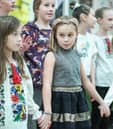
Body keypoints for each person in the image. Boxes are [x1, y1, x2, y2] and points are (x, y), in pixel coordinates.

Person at [39, 16, 110, 129]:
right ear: (55, 36)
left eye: (70, 35)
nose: (66, 39)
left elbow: (86, 82)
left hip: (78, 100)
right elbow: (47, 84)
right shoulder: (51, 55)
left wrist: (102, 102)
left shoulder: (76, 54)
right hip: (59, 102)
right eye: (61, 35)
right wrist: (47, 112)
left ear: (76, 34)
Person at [0, 15, 44, 129]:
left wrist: (37, 113)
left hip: (19, 123)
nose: (20, 38)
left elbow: (25, 93)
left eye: (20, 34)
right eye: (15, 34)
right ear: (3, 36)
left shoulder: (20, 63)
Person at [21, 0, 55, 129]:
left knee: (49, 123)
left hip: (53, 86)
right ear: (36, 8)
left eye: (53, 6)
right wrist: (21, 49)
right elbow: (16, 55)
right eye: (46, 5)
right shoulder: (29, 29)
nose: (51, 9)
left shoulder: (56, 30)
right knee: (33, 122)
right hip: (34, 86)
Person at [91, 7, 113, 129]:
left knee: (110, 120)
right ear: (99, 20)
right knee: (97, 119)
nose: (112, 23)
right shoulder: (93, 39)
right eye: (109, 19)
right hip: (100, 85)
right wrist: (93, 85)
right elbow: (93, 63)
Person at [72, 4, 97, 112]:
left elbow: (92, 61)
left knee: (86, 113)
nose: (95, 19)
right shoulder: (71, 37)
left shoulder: (91, 38)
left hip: (87, 82)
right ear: (83, 17)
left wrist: (93, 85)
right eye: (93, 16)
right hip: (74, 81)